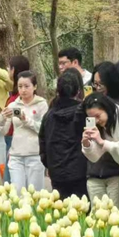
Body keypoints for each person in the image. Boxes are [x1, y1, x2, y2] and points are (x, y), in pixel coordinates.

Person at [40, 69, 89, 200]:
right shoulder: (84, 113)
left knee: (62, 215)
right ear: (78, 91)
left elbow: (43, 145)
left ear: (58, 91)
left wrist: (50, 165)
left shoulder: (48, 116)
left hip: (57, 174)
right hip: (80, 174)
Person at [3, 71, 49, 192]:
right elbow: (3, 131)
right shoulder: (13, 105)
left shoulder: (41, 104)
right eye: (20, 86)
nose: (23, 90)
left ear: (35, 86)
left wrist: (26, 120)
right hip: (16, 155)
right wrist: (2, 118)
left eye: (27, 86)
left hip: (34, 155)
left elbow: (44, 129)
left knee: (35, 194)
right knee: (17, 193)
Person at [3, 55, 31, 183]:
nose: (7, 70)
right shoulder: (15, 92)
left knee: (14, 181)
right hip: (12, 138)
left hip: (16, 140)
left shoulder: (21, 95)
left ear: (13, 70)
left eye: (9, 68)